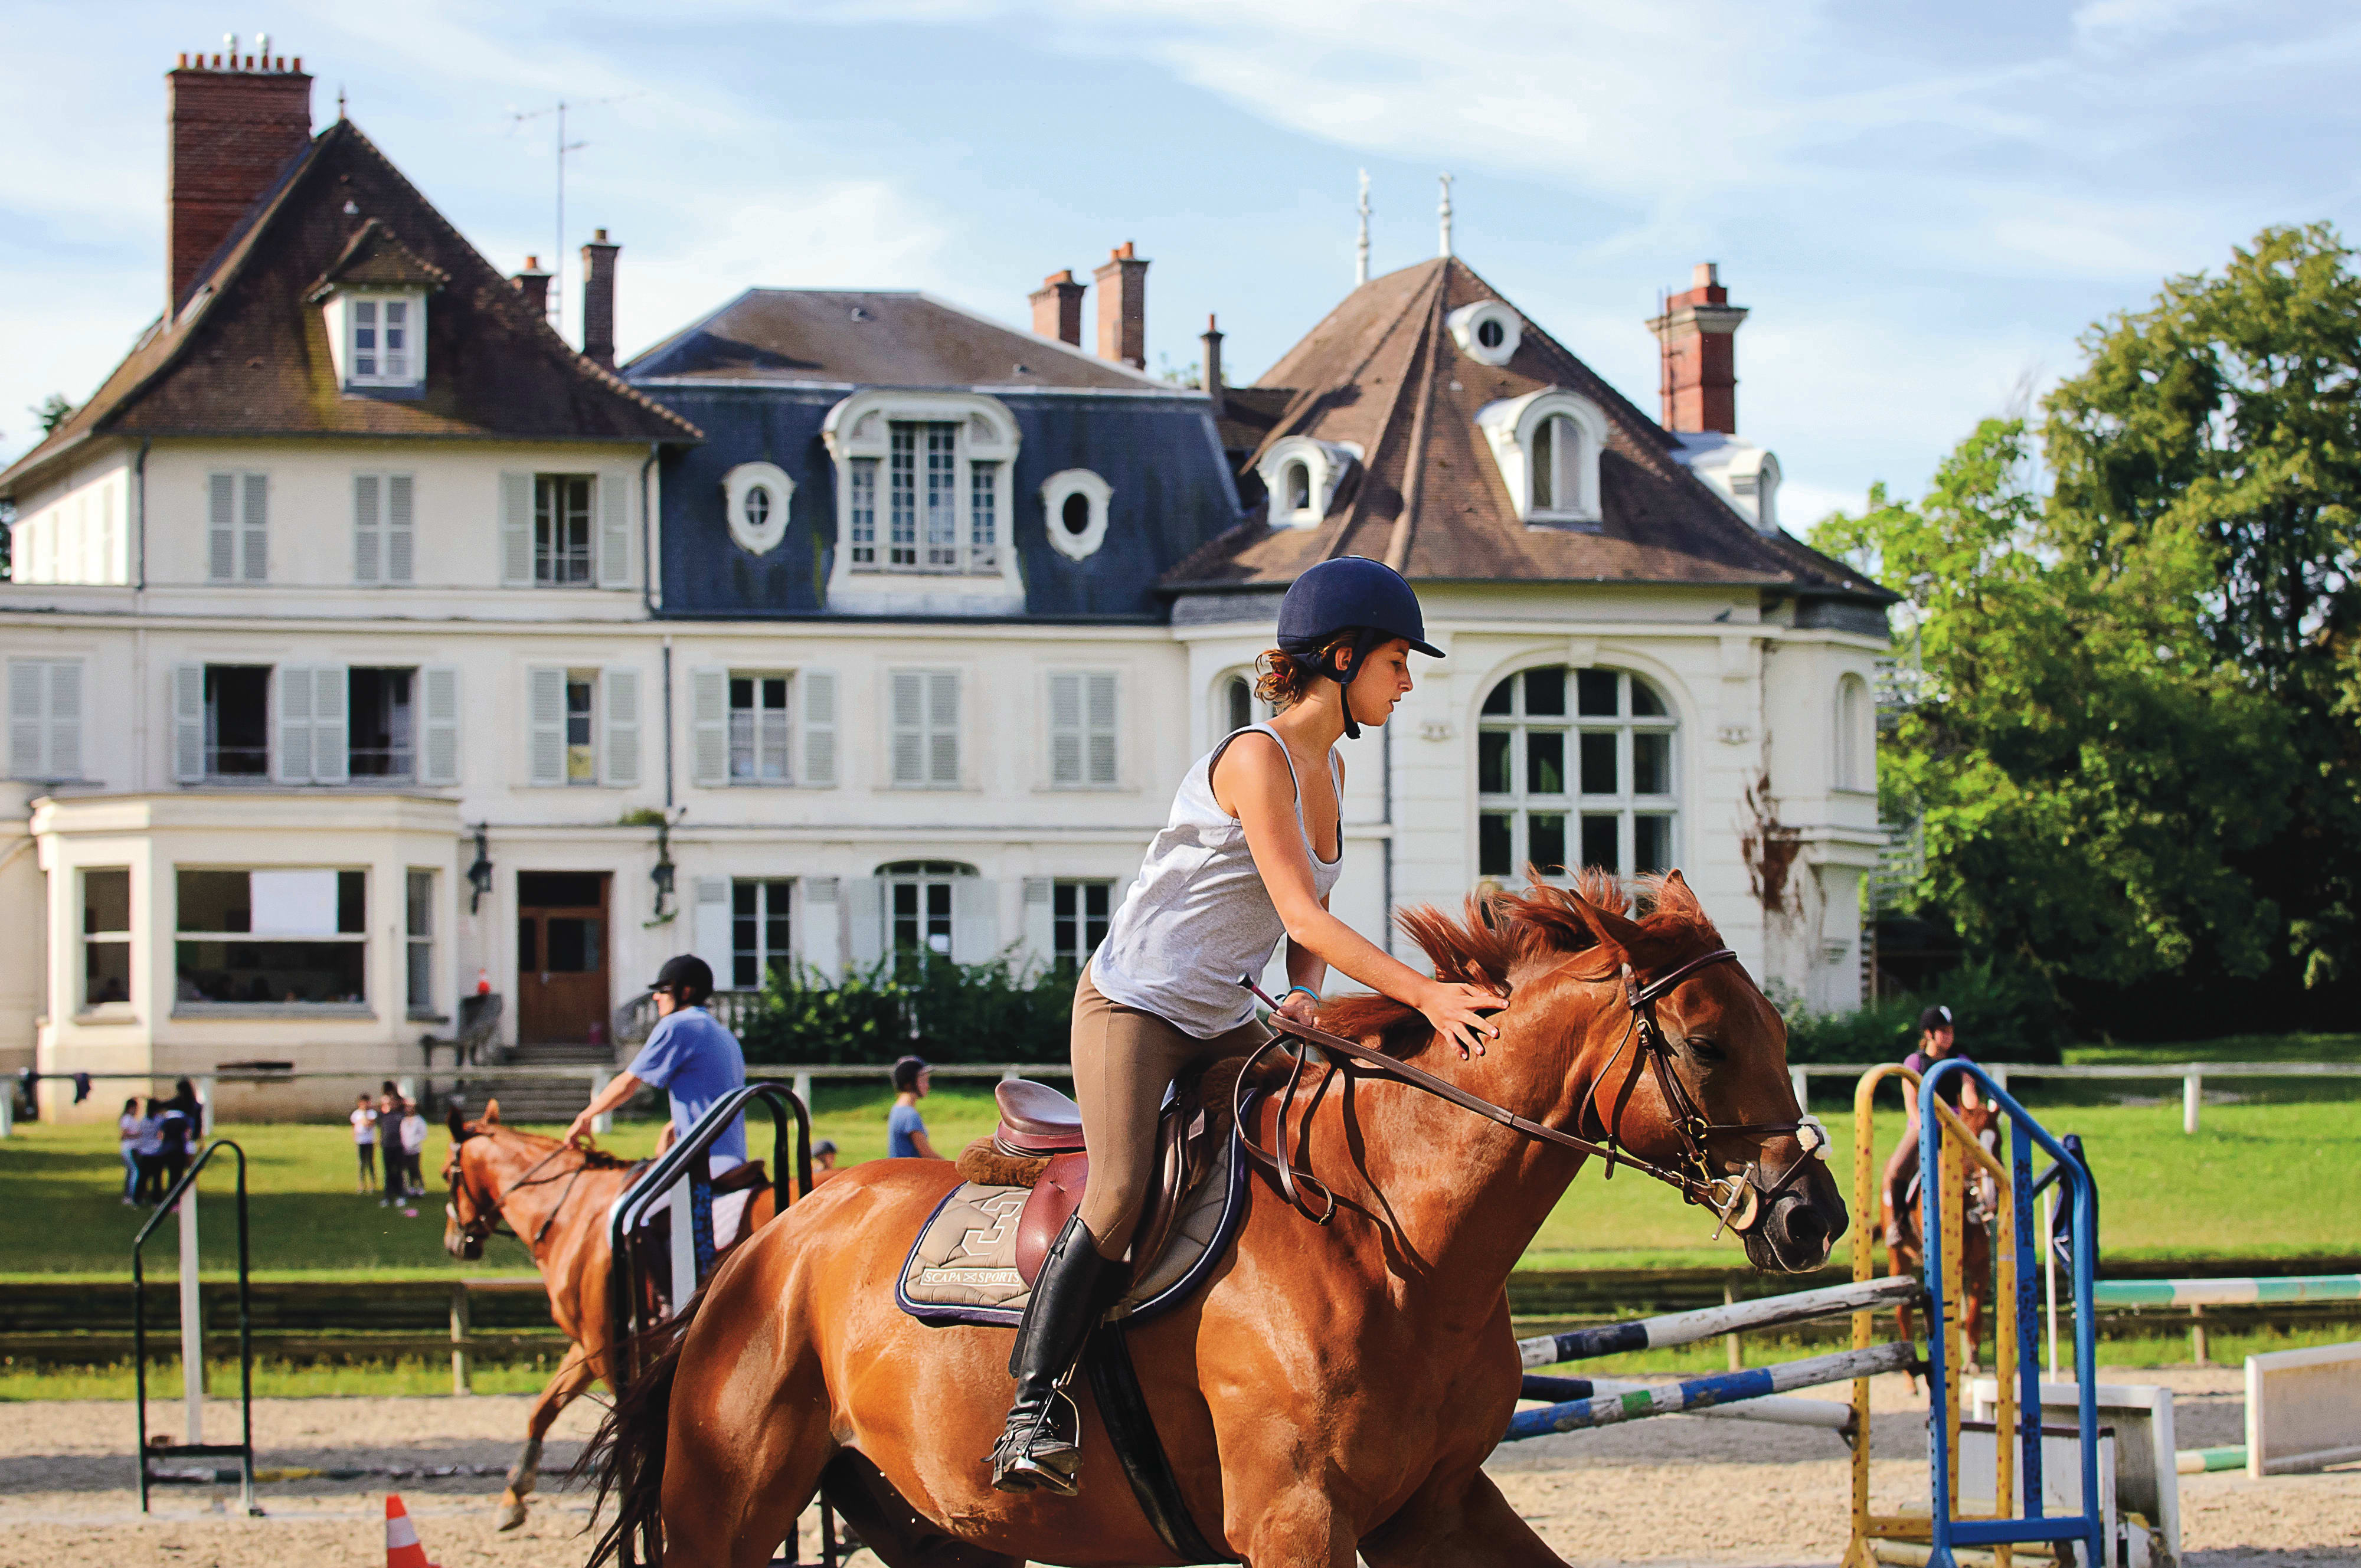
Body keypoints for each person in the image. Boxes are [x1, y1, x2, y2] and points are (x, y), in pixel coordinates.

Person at [986, 556, 1503, 1495]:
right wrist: (1426, 995)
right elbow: (1305, 917)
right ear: (1340, 659)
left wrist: (1304, 993)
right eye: (1397, 660)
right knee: (1127, 1187)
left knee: (1314, 1130)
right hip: (1135, 1007)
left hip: (1224, 1011)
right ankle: (1032, 1408)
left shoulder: (1332, 767)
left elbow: (1303, 921)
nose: (1409, 679)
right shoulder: (1257, 757)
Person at [565, 954, 753, 1243]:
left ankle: (659, 1290)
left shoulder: (678, 1026)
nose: (655, 998)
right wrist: (673, 1126)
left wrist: (586, 1116)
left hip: (703, 1157)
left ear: (685, 992)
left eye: (663, 990)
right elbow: (714, 1095)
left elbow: (628, 1083)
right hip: (733, 1155)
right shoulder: (724, 1034)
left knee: (623, 1215)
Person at [1884, 1003, 1983, 1246]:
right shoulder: (1914, 1062)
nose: (1949, 1036)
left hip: (1956, 1129)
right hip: (1922, 1127)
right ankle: (1899, 1224)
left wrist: (1973, 1113)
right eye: (1943, 1031)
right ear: (1928, 1033)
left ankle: (1985, 1215)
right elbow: (1911, 1104)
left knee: (1984, 1167)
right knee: (1896, 1170)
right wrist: (1925, 1129)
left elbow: (1969, 1093)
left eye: (1951, 1031)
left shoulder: (1961, 1061)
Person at [887, 1057, 937, 1158]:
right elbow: (927, 1155)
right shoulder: (910, 1115)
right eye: (924, 1081)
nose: (928, 1086)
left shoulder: (897, 1109)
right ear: (909, 1083)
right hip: (907, 1172)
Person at [375, 1081, 404, 1206]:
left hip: (398, 1146)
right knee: (388, 1172)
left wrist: (397, 1094)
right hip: (386, 1146)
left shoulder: (401, 1115)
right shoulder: (383, 1115)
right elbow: (377, 1105)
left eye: (393, 1102)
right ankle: (388, 1195)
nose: (391, 1103)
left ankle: (401, 1194)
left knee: (398, 1171)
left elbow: (407, 1103)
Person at [132, 1099, 166, 1203]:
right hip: (156, 1151)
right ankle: (157, 1200)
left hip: (144, 1152)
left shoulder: (143, 1121)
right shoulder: (159, 1120)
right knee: (157, 1178)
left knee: (142, 1177)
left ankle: (137, 1198)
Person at [398, 1097, 429, 1201]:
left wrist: (414, 1142)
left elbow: (423, 1134)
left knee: (415, 1168)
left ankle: (420, 1187)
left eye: (410, 1107)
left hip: (415, 1149)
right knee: (407, 1168)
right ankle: (411, 1188)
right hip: (405, 1149)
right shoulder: (404, 1120)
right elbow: (402, 1134)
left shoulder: (419, 1120)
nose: (408, 1109)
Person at [117, 1097, 145, 1205]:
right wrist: (138, 1135)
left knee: (130, 1173)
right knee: (135, 1171)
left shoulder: (132, 1119)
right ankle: (133, 1195)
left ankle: (128, 1196)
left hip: (133, 1148)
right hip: (129, 1149)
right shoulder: (127, 1119)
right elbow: (124, 1135)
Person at [351, 1094, 378, 1194]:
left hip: (369, 1141)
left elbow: (370, 1124)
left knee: (370, 1162)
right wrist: (355, 1137)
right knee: (361, 1163)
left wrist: (364, 1117)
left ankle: (372, 1184)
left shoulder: (371, 1113)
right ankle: (362, 1184)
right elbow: (354, 1126)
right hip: (360, 1141)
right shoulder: (356, 1114)